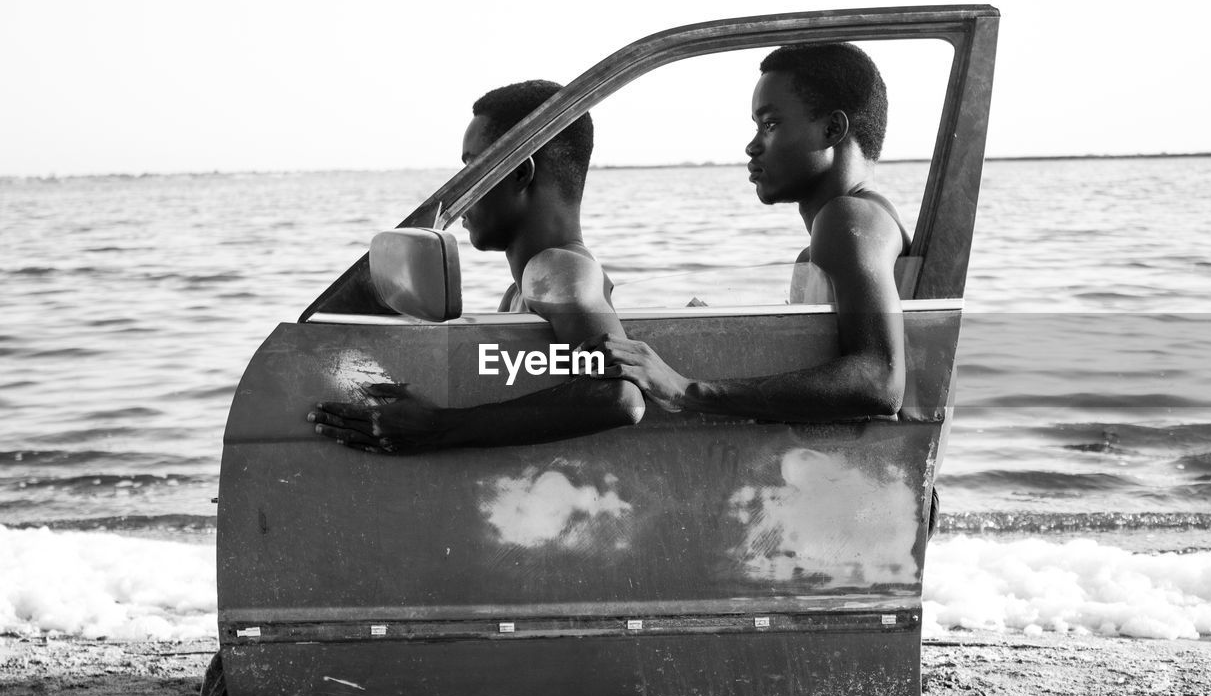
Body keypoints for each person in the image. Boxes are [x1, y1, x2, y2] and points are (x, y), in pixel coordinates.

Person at [308, 80, 643, 452]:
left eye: (473, 167)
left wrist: (437, 429)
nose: (460, 191)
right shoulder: (520, 292)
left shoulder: (559, 270)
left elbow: (617, 397)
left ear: (519, 173)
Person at [583, 43, 907, 422]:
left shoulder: (848, 219)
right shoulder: (841, 233)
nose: (752, 146)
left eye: (770, 125)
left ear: (832, 129)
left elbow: (880, 380)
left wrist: (687, 390)